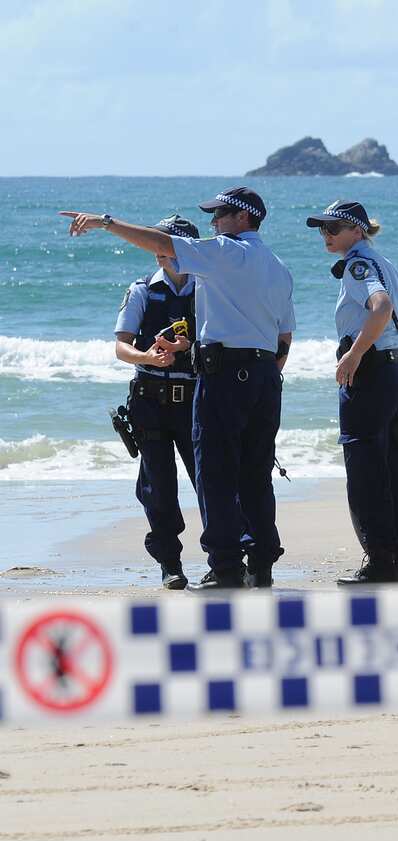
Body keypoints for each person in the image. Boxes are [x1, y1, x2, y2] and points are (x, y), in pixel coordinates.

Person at [62, 187, 296, 589]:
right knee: (255, 474)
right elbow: (284, 339)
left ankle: (224, 568)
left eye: (219, 214)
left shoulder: (226, 250)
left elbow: (162, 243)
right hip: (265, 377)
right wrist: (261, 375)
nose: (213, 223)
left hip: (225, 376)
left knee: (216, 474)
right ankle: (260, 564)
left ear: (242, 219)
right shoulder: (277, 266)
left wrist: (106, 222)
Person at [308, 200, 398, 584]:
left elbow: (382, 306)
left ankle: (380, 563)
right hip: (393, 370)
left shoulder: (359, 265)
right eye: (323, 230)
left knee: (366, 474)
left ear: (356, 231)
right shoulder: (382, 262)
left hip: (372, 374)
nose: (326, 236)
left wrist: (355, 355)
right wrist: (395, 348)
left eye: (333, 229)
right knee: (392, 471)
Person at [112, 215, 202, 589]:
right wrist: (148, 358)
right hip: (150, 400)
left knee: (211, 481)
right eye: (163, 248)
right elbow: (121, 346)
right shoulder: (142, 291)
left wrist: (190, 348)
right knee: (158, 488)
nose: (169, 255)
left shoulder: (211, 290)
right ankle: (170, 564)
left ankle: (226, 559)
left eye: (176, 248)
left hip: (196, 401)